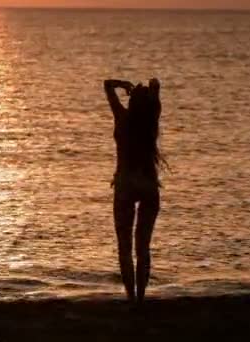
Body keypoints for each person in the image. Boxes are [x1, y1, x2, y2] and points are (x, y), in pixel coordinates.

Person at [103, 78, 164, 305]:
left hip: (125, 185)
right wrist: (151, 86)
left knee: (125, 247)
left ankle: (131, 299)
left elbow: (107, 86)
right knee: (143, 247)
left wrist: (124, 84)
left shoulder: (122, 117)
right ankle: (141, 297)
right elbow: (156, 86)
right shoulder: (151, 121)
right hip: (148, 185)